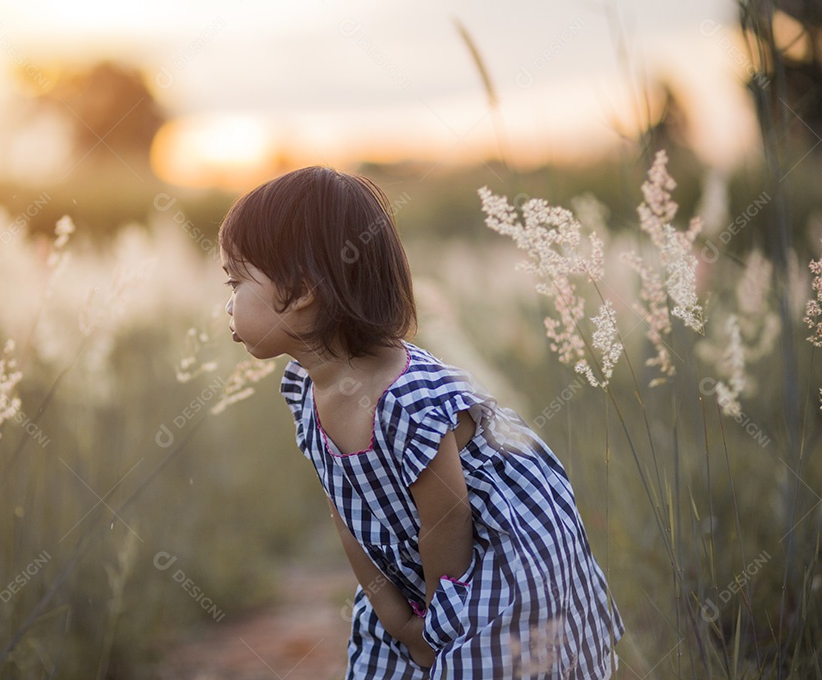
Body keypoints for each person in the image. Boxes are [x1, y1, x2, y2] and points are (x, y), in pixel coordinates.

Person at [218, 166, 624, 679]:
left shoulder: (405, 400)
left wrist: (432, 627)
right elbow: (347, 513)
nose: (227, 304)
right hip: (422, 568)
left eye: (236, 282)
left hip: (501, 560)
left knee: (478, 662)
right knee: (387, 654)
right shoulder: (304, 388)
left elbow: (448, 518)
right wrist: (396, 617)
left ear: (300, 290)